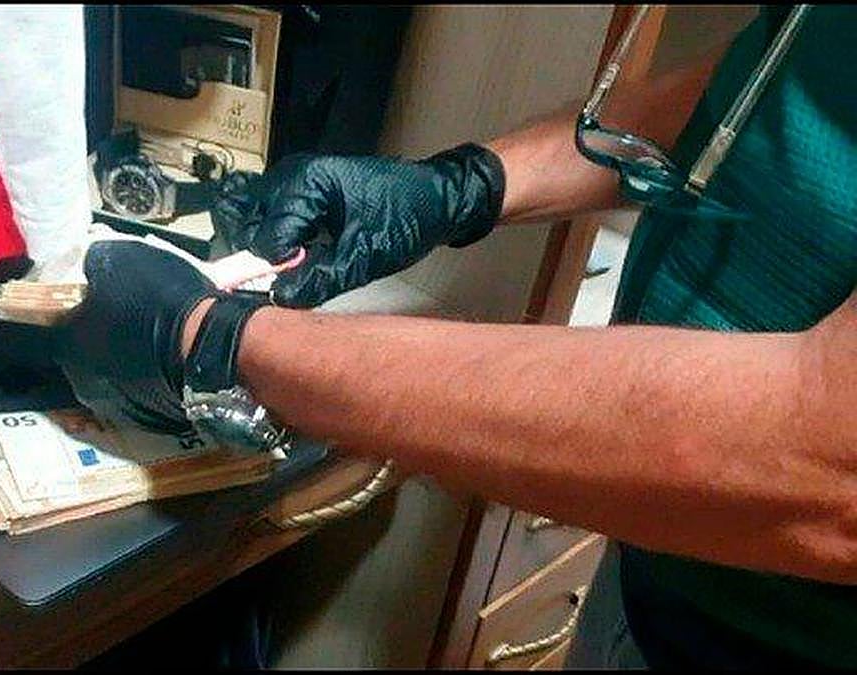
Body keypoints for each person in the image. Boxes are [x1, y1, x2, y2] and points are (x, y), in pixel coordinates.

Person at [54, 6, 857, 667]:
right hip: (658, 581)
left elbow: (822, 458)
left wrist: (219, 338)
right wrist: (461, 185)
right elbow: (770, 87)